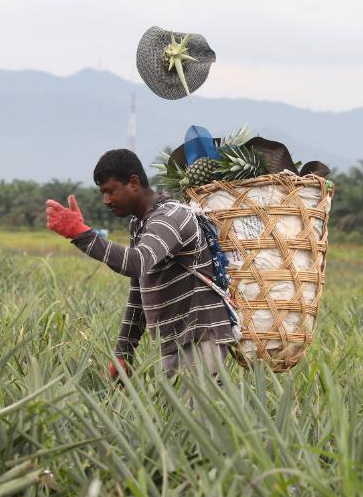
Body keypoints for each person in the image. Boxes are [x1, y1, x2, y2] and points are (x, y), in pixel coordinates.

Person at [45, 149, 234, 380]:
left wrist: (82, 235)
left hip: (201, 338)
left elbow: (137, 263)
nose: (106, 200)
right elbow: (139, 290)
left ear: (133, 183)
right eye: (102, 193)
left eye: (110, 191)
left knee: (196, 415)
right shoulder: (140, 223)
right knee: (171, 415)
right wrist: (124, 350)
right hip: (174, 340)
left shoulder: (170, 217)